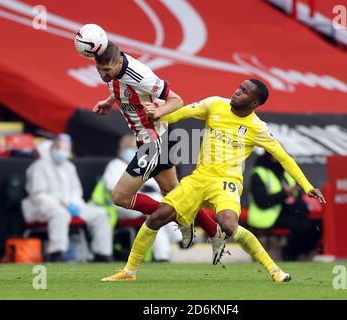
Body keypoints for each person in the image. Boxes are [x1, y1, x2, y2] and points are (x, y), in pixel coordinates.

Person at [101, 79, 325, 282]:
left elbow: (285, 158)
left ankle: (275, 271)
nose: (237, 91)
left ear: (254, 102)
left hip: (226, 183)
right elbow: (181, 113)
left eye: (244, 91)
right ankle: (128, 272)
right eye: (239, 87)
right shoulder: (215, 104)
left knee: (228, 223)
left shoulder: (258, 129)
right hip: (199, 178)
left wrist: (307, 187)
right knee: (157, 217)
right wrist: (158, 114)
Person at [90, 40, 225, 261]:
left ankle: (180, 219)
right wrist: (109, 102)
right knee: (174, 193)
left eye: (106, 70)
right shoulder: (115, 73)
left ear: (118, 62)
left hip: (154, 142)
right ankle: (214, 232)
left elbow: (177, 100)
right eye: (98, 69)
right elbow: (122, 89)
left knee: (120, 197)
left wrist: (159, 111)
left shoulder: (140, 74)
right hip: (152, 139)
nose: (103, 74)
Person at [21, 134, 112, 262]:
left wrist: (74, 204)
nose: (62, 152)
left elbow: (76, 191)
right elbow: (38, 194)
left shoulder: (69, 167)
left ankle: (102, 254)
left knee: (100, 213)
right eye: (59, 147)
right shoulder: (39, 166)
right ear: (52, 146)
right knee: (61, 214)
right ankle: (56, 253)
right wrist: (61, 204)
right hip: (43, 208)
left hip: (71, 206)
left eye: (65, 149)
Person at [92, 134, 182, 261]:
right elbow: (114, 189)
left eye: (133, 147)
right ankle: (179, 236)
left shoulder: (143, 164)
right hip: (123, 206)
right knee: (158, 207)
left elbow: (155, 186)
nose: (131, 150)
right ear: (121, 149)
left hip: (145, 205)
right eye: (127, 147)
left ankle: (163, 256)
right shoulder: (115, 164)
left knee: (156, 215)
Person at [248, 151, 322, 260]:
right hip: (267, 216)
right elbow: (262, 202)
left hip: (287, 211)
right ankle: (289, 255)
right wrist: (284, 193)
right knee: (303, 227)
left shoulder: (286, 173)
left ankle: (298, 254)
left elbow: (295, 196)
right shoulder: (259, 173)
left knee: (316, 225)